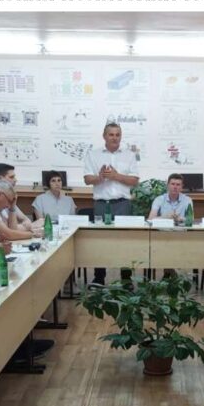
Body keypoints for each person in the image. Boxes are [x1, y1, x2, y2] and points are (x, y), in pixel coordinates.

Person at [83, 122, 140, 286]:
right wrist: (100, 177)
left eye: (117, 135)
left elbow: (135, 181)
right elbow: (87, 179)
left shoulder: (129, 155)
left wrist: (116, 176)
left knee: (125, 243)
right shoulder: (93, 154)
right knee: (100, 241)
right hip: (101, 204)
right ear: (104, 136)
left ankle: (126, 279)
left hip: (123, 204)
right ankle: (99, 278)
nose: (115, 138)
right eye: (111, 134)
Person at [0, 162, 35, 230]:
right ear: (0, 178)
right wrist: (25, 227)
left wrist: (26, 226)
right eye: (11, 177)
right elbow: (7, 230)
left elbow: (26, 219)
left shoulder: (8, 193)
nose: (15, 180)